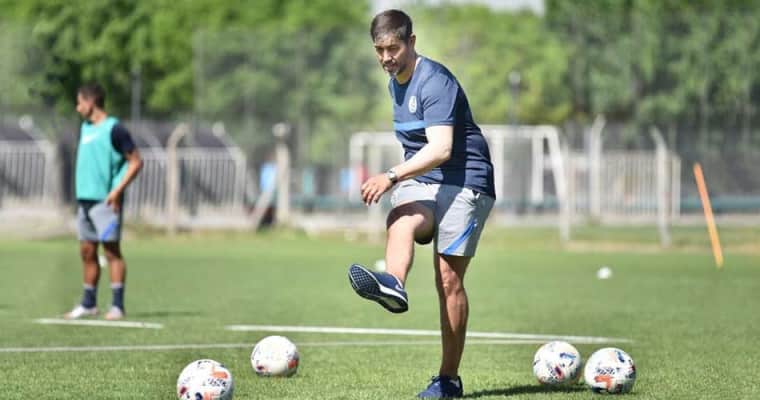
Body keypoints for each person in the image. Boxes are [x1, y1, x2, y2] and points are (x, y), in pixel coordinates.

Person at [347, 9, 495, 399]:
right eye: (379, 50)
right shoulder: (394, 83)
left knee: (447, 279)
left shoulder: (435, 81)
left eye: (393, 48)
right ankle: (394, 283)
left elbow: (442, 148)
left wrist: (391, 175)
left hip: (466, 179)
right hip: (428, 181)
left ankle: (449, 380)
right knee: (401, 216)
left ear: (411, 42)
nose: (385, 57)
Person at [64, 83, 143, 321]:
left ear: (90, 102)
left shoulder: (114, 129)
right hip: (84, 201)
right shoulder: (85, 128)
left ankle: (118, 306)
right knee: (87, 251)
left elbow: (136, 161)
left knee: (111, 251)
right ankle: (88, 304)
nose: (78, 108)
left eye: (79, 103)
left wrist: (117, 191)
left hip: (107, 201)